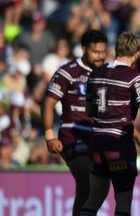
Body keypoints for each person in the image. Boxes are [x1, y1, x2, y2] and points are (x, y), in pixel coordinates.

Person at [80, 32, 140, 216]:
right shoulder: (135, 77)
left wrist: (139, 138)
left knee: (94, 199)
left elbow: (89, 111)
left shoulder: (95, 73)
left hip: (97, 142)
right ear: (136, 54)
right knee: (123, 203)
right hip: (118, 145)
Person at [42, 30, 108, 216]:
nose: (100, 56)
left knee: (100, 187)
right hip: (73, 134)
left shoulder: (107, 72)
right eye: (96, 52)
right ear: (84, 49)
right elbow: (48, 103)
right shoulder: (67, 72)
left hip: (98, 135)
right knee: (87, 182)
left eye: (103, 52)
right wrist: (49, 136)